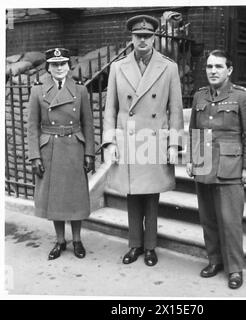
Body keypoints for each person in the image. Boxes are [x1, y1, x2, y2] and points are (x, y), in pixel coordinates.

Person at [102, 15, 184, 267]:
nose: (142, 40)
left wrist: (173, 144)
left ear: (154, 38)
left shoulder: (168, 67)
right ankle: (134, 245)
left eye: (147, 36)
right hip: (127, 140)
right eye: (138, 36)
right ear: (132, 38)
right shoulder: (118, 67)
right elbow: (110, 109)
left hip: (154, 138)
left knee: (151, 196)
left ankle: (150, 247)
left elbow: (176, 109)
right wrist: (110, 142)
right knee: (132, 195)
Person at [186, 50, 246, 289]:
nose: (213, 71)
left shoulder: (242, 97)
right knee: (208, 219)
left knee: (230, 221)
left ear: (229, 70)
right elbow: (194, 131)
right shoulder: (199, 96)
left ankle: (235, 269)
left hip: (230, 168)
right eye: (209, 67)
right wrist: (191, 159)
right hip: (203, 164)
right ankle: (214, 260)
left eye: (218, 66)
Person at [28, 48, 95, 260]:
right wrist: (35, 156)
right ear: (48, 67)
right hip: (50, 148)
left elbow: (88, 124)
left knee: (75, 197)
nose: (59, 68)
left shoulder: (80, 90)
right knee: (55, 198)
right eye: (54, 64)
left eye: (63, 64)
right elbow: (32, 126)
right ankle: (59, 241)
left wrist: (90, 154)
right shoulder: (37, 91)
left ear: (69, 66)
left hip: (74, 145)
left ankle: (77, 240)